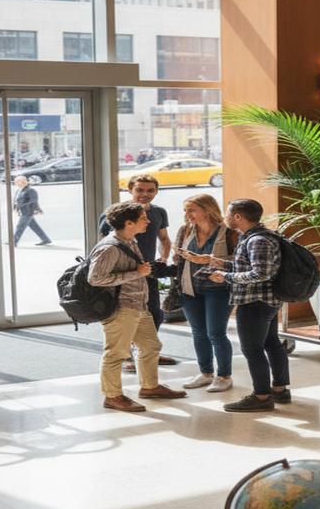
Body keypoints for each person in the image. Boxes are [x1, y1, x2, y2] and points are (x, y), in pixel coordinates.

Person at [88, 201, 187, 412]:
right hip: (121, 308)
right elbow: (95, 278)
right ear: (129, 222)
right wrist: (136, 273)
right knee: (116, 353)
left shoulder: (129, 240)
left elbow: (140, 269)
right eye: (143, 218)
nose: (148, 221)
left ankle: (150, 387)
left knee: (151, 346)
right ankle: (112, 396)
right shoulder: (109, 247)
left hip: (138, 305)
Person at [207, 198, 291, 412]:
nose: (225, 217)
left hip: (256, 301)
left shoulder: (257, 240)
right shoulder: (254, 237)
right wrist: (222, 263)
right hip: (266, 300)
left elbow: (261, 273)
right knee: (271, 343)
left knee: (252, 349)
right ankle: (280, 390)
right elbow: (252, 265)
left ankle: (262, 397)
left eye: (228, 213)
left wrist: (225, 276)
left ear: (238, 217)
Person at [99, 174, 177, 373]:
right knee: (126, 316)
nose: (145, 194)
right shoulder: (116, 213)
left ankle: (148, 353)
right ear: (130, 190)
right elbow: (103, 243)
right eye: (140, 190)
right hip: (123, 274)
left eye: (150, 190)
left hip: (148, 271)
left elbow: (165, 239)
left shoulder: (159, 212)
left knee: (154, 314)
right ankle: (128, 357)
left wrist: (163, 258)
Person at [173, 194, 238, 393]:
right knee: (198, 332)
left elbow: (239, 261)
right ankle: (205, 373)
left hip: (218, 289)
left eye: (191, 210)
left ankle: (224, 375)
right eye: (185, 210)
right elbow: (177, 259)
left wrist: (207, 260)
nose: (187, 214)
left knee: (216, 333)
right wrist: (179, 256)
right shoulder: (185, 230)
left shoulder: (229, 232)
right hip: (190, 288)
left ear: (207, 209)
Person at [12, 176, 52, 246]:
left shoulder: (31, 190)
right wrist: (15, 207)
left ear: (23, 182)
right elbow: (17, 200)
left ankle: (13, 242)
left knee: (20, 226)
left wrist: (21, 206)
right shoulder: (19, 190)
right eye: (15, 182)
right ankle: (46, 239)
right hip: (23, 211)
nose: (16, 183)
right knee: (34, 227)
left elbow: (33, 202)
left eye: (17, 182)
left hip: (28, 212)